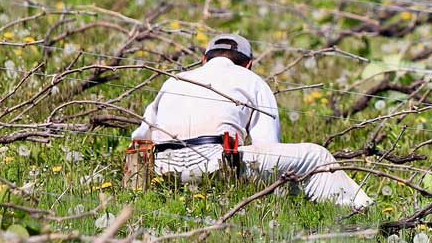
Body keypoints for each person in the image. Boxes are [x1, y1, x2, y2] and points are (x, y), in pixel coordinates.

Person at [130, 33, 372, 208]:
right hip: (217, 167)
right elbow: (268, 145)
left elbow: (141, 139)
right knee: (316, 156)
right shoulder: (252, 80)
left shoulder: (173, 80)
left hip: (164, 171)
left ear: (204, 59)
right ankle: (360, 213)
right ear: (248, 64)